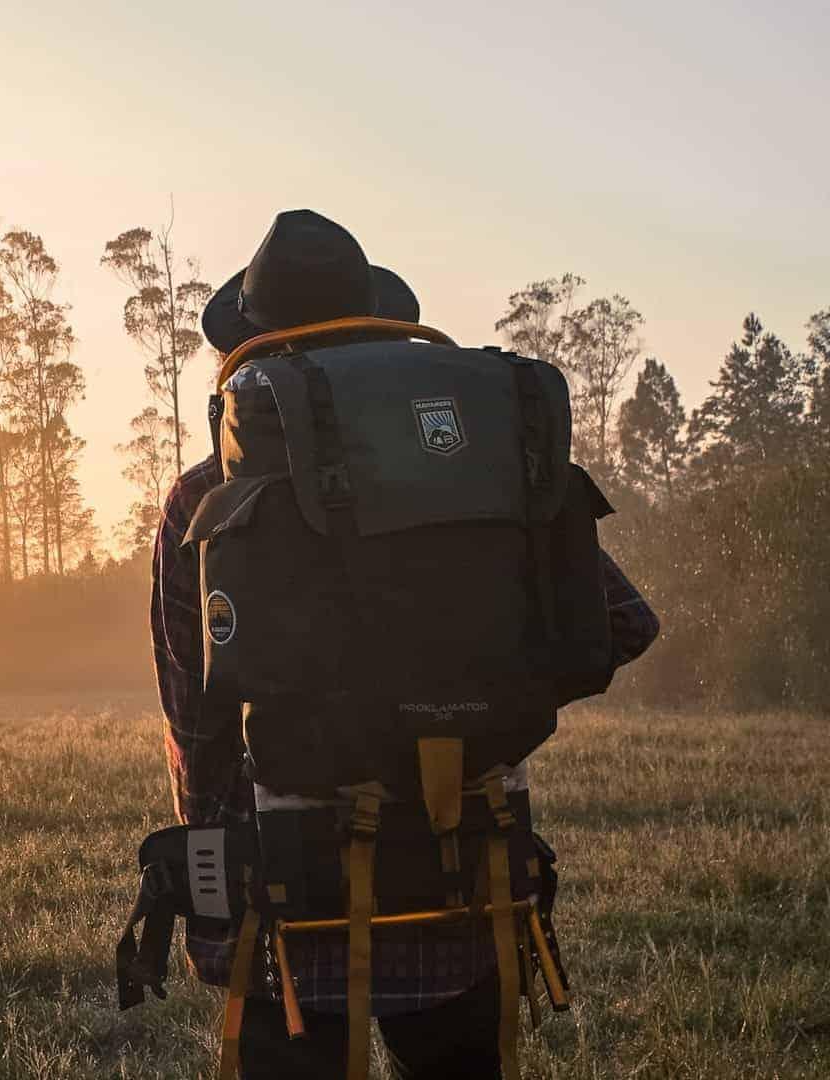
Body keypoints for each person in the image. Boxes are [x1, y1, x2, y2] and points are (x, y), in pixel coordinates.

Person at [150, 210, 660, 1079]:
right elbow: (622, 623)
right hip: (465, 864)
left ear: (256, 343)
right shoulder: (485, 465)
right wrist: (476, 696)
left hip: (292, 883)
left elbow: (196, 711)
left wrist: (209, 873)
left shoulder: (206, 492)